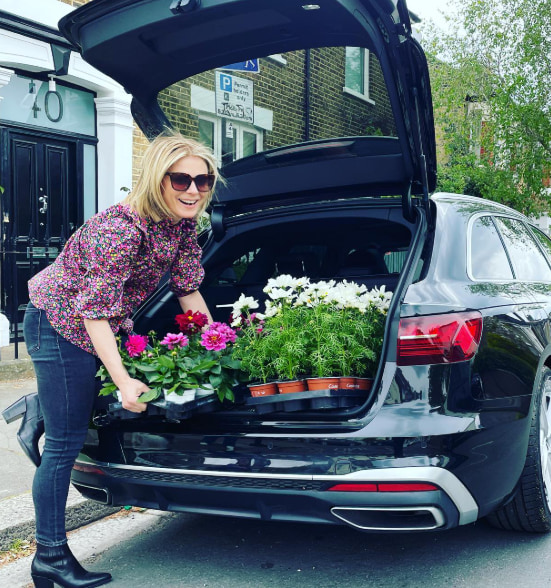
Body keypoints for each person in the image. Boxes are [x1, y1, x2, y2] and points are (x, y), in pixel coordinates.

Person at [1, 131, 219, 588]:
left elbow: (188, 290)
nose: (193, 190)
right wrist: (122, 379)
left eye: (204, 180)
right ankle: (50, 559)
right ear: (157, 179)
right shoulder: (119, 229)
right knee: (64, 443)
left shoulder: (180, 227)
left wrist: (220, 345)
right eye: (180, 179)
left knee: (79, 406)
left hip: (98, 324)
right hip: (59, 324)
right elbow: (94, 314)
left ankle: (44, 403)